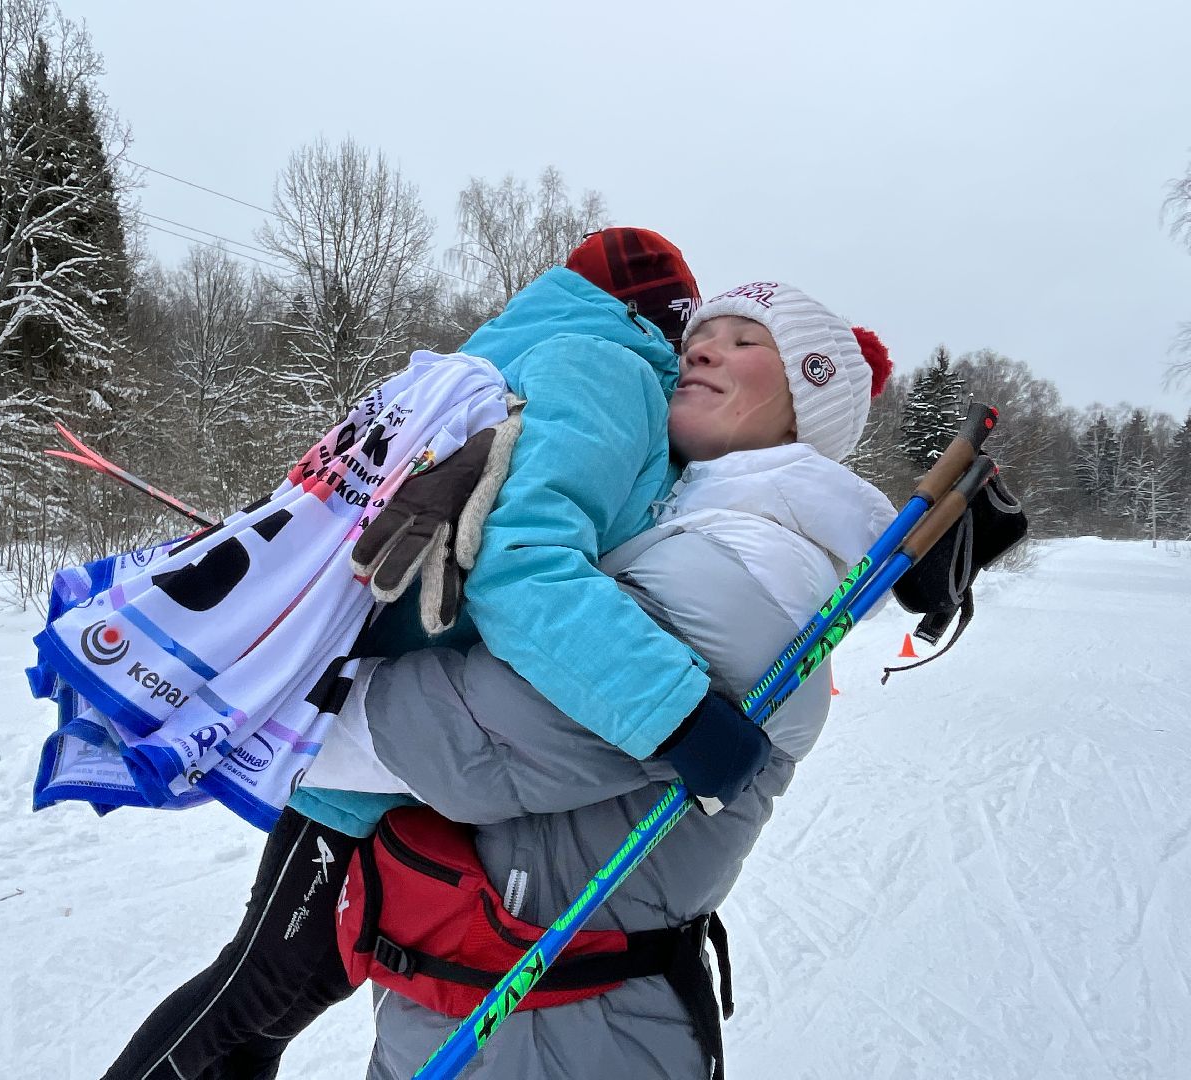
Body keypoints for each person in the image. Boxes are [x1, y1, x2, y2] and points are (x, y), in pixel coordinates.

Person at [100, 229, 737, 1080]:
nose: (698, 360)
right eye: (695, 337)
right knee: (256, 992)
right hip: (371, 752)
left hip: (401, 736)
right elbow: (525, 565)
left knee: (284, 998)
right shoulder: (608, 368)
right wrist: (671, 710)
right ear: (661, 318)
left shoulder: (508, 360)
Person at [321, 282, 897, 1078]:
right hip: (504, 1015)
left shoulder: (756, 564)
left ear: (806, 403)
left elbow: (484, 743)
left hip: (570, 1034)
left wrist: (281, 700)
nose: (702, 348)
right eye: (704, 334)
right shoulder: (675, 522)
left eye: (743, 342)